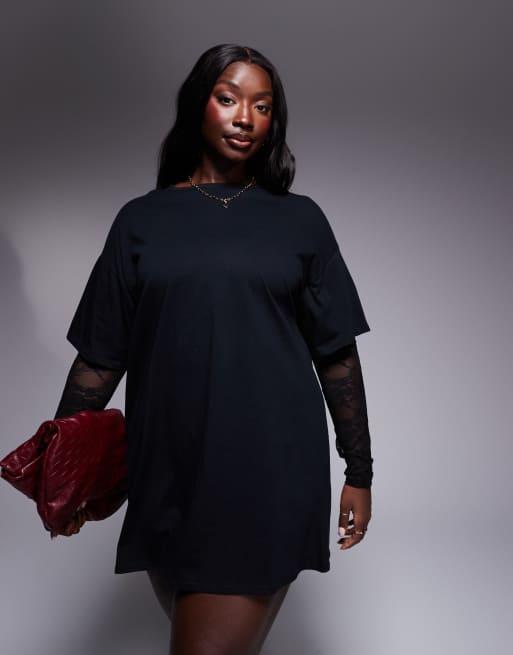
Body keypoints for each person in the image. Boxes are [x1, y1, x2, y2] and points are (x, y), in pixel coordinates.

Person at [53, 43, 373, 655]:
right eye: (228, 99)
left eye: (262, 106)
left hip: (267, 469)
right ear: (197, 104)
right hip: (165, 472)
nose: (245, 118)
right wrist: (64, 474)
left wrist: (359, 471)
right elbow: (99, 357)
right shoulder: (140, 221)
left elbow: (336, 354)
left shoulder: (301, 221)